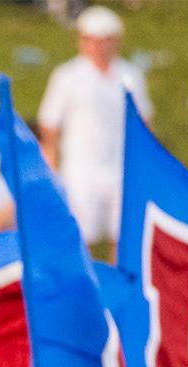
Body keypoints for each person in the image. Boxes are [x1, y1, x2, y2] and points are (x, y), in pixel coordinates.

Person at [37, 6, 151, 253]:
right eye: (92, 41)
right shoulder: (67, 76)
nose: (99, 47)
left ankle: (121, 287)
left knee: (124, 236)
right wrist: (52, 163)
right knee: (80, 235)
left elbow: (144, 122)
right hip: (81, 169)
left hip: (121, 167)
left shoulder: (130, 75)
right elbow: (49, 124)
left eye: (105, 41)